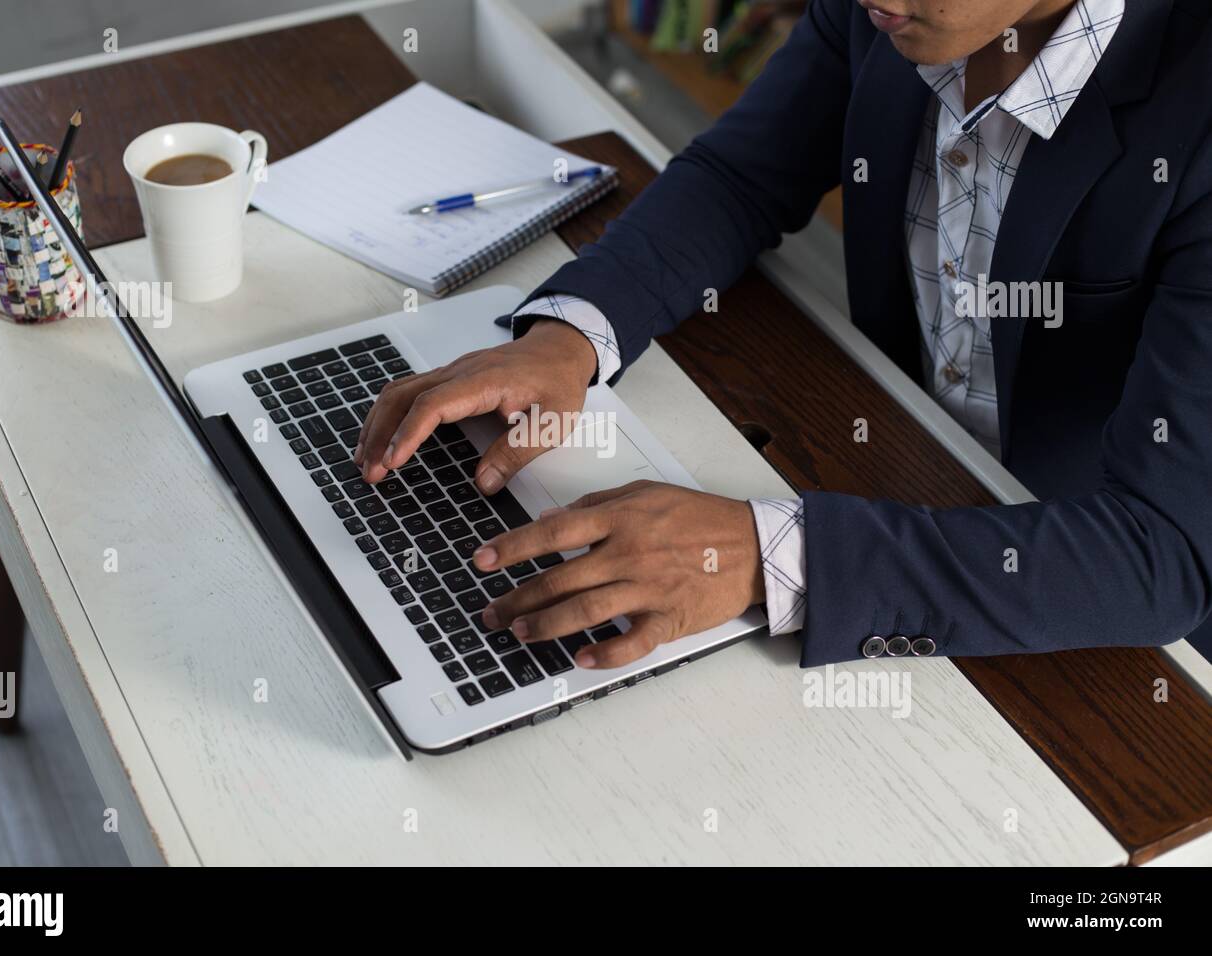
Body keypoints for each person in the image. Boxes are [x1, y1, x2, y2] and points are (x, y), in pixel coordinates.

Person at [356, 0, 1212, 669]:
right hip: (897, 474)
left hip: (1101, 617)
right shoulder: (883, 15)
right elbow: (740, 177)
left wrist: (765, 555)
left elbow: (1165, 555)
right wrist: (569, 336)